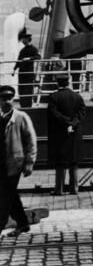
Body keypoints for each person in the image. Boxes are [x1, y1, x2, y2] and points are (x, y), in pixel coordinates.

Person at [0, 85, 37, 237]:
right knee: (11, 195)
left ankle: (0, 225)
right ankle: (22, 223)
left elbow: (31, 141)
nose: (7, 101)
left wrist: (29, 162)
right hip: (0, 162)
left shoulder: (21, 117)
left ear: (14, 99)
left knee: (5, 196)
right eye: (4, 99)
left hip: (15, 162)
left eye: (10, 98)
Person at [47, 74, 86, 195]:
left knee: (60, 162)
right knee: (73, 161)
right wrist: (72, 124)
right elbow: (82, 113)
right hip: (74, 133)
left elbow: (53, 113)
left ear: (57, 83)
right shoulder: (78, 97)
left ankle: (59, 189)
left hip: (60, 133)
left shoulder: (53, 97)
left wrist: (66, 122)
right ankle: (74, 189)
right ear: (68, 82)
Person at [12, 30, 41, 108]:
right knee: (21, 89)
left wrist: (29, 58)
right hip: (22, 73)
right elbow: (19, 60)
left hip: (29, 73)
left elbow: (38, 57)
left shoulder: (33, 49)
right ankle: (22, 105)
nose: (22, 41)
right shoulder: (22, 50)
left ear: (27, 39)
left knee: (28, 89)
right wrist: (14, 69)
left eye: (24, 39)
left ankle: (28, 105)